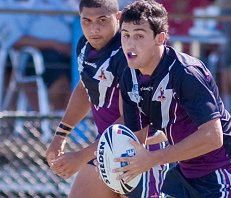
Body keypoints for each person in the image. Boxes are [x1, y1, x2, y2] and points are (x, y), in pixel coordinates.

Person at [114, 1, 231, 197]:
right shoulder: (129, 77)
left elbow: (213, 137)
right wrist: (114, 162)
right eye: (125, 35)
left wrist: (152, 158)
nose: (130, 44)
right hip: (184, 174)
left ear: (160, 38)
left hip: (222, 171)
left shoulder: (185, 73)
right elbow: (137, 141)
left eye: (139, 35)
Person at [45, 0, 169, 198]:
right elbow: (86, 87)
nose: (94, 29)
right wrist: (61, 135)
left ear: (118, 18)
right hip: (106, 146)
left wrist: (81, 156)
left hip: (143, 148)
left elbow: (131, 119)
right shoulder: (85, 46)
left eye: (102, 20)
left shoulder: (129, 54)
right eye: (87, 21)